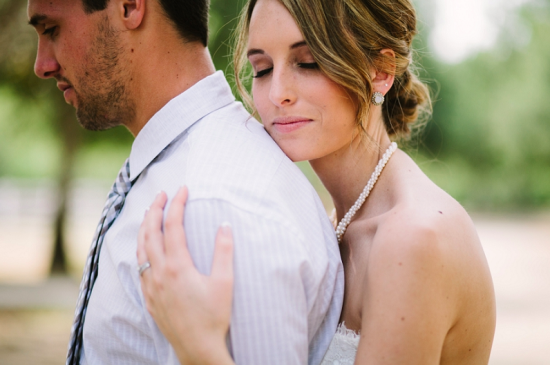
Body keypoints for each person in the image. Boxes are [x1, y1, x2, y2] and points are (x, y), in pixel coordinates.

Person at [137, 0, 497, 363]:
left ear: (381, 71)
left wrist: (199, 346)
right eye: (261, 69)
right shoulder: (333, 223)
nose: (278, 93)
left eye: (307, 63)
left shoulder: (413, 239)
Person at [27, 0, 344, 364]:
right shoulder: (184, 175)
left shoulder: (212, 205)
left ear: (130, 6)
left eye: (51, 30)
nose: (41, 65)